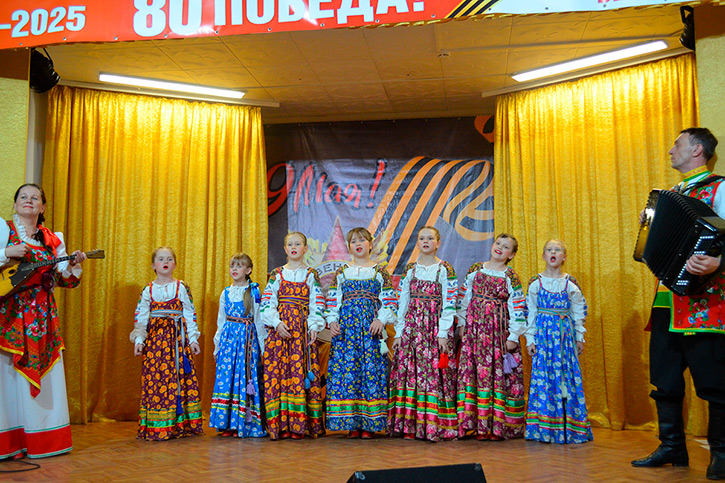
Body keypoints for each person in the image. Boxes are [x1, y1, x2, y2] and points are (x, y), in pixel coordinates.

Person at [631, 127, 725, 479]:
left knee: (715, 384)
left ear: (697, 149)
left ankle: (721, 453)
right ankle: (672, 447)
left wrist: (719, 261)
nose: (671, 150)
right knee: (665, 381)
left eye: (677, 144)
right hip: (666, 302)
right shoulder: (670, 195)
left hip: (706, 305)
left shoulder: (720, 188)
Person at [0, 183, 87, 459]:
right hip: (10, 315)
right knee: (8, 378)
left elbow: (64, 280)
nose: (29, 200)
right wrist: (6, 254)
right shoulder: (3, 230)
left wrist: (72, 265)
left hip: (43, 316)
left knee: (46, 374)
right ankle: (10, 442)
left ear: (43, 207)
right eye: (23, 196)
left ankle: (42, 439)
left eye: (35, 197)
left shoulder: (53, 240)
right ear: (15, 204)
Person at [388, 226, 458, 442]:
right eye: (422, 238)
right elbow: (402, 302)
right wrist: (399, 332)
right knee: (410, 372)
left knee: (432, 373)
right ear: (417, 243)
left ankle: (432, 425)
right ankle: (410, 425)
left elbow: (450, 302)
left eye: (430, 238)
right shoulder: (410, 270)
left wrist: (443, 332)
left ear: (438, 243)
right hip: (412, 329)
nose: (426, 241)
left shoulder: (445, 269)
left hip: (434, 329)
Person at [325, 227, 396, 438]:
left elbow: (390, 302)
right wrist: (332, 321)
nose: (358, 244)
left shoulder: (379, 272)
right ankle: (351, 424)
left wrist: (381, 319)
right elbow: (332, 301)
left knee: (369, 372)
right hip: (346, 332)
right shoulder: (342, 272)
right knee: (348, 373)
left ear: (370, 244)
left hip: (369, 331)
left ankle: (370, 424)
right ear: (349, 247)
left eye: (362, 240)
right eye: (354, 241)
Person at [456, 233, 526, 440]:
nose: (500, 248)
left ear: (511, 255)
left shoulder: (510, 276)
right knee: (473, 373)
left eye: (506, 247)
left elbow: (518, 307)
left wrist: (513, 336)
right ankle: (473, 423)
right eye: (498, 243)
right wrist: (462, 323)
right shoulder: (476, 270)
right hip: (475, 333)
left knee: (496, 375)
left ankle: (495, 425)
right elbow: (464, 298)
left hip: (497, 334)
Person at [130, 247, 203, 441]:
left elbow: (190, 313)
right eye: (161, 259)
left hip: (177, 343)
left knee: (178, 379)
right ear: (153, 265)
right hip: (155, 345)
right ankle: (158, 424)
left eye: (169, 259)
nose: (165, 262)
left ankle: (179, 423)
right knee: (157, 380)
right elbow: (141, 318)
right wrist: (139, 340)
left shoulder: (181, 287)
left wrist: (193, 339)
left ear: (175, 264)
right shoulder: (148, 290)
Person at [524, 239, 592, 444]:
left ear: (564, 257)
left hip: (564, 337)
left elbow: (578, 310)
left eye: (558, 249)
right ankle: (544, 427)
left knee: (566, 376)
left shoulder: (570, 283)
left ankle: (569, 426)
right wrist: (530, 339)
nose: (553, 252)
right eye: (549, 249)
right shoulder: (536, 283)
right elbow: (530, 312)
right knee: (544, 377)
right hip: (543, 337)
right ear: (544, 255)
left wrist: (579, 337)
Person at [261, 232, 325, 440]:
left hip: (302, 333)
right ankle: (281, 425)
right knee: (278, 374)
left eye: (298, 244)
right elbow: (267, 303)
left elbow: (317, 302)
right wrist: (277, 323)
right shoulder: (277, 274)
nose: (294, 247)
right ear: (285, 249)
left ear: (305, 248)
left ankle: (299, 425)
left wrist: (314, 325)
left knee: (300, 372)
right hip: (280, 332)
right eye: (290, 244)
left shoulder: (311, 274)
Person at [209, 253, 266, 438]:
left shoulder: (253, 292)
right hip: (228, 342)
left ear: (248, 270)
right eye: (232, 265)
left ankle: (245, 423)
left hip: (247, 343)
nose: (234, 269)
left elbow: (259, 321)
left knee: (245, 378)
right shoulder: (226, 293)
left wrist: (263, 347)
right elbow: (221, 321)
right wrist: (217, 346)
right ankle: (227, 424)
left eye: (239, 266)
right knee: (227, 379)